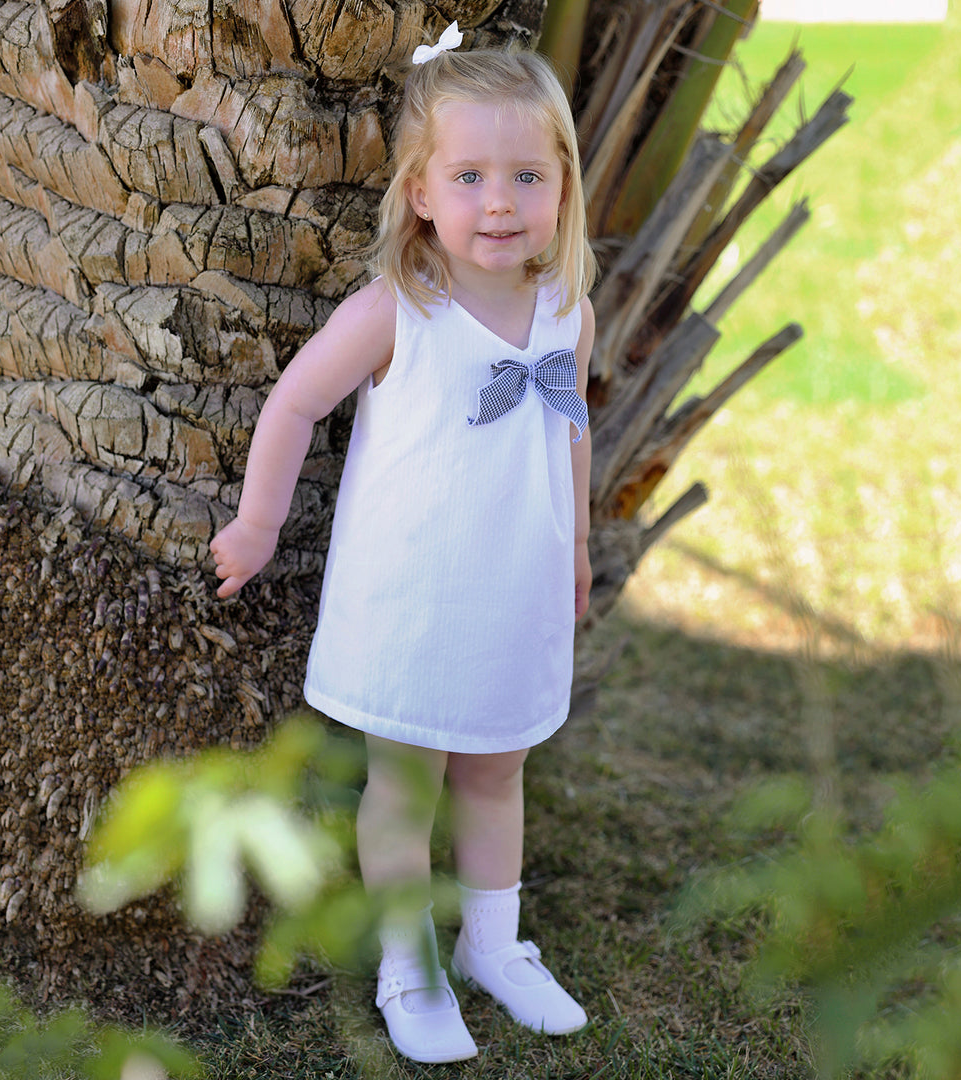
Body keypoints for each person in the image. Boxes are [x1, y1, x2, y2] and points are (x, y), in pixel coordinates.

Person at [209, 21, 597, 1065]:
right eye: (470, 177)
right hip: (415, 601)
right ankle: (408, 961)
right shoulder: (399, 310)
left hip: (515, 591)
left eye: (527, 176)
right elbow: (295, 404)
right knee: (407, 783)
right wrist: (258, 521)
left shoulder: (566, 308)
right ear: (420, 192)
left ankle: (493, 943)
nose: (501, 202)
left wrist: (576, 543)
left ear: (562, 186)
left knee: (497, 772)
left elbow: (569, 431)